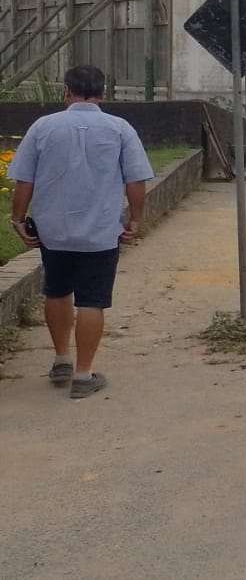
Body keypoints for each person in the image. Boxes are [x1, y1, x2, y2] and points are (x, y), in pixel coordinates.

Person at [9, 65, 154, 399]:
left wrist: (18, 219)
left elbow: (24, 181)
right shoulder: (120, 129)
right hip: (101, 232)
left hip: (53, 230)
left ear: (66, 91)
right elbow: (136, 181)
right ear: (103, 92)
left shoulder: (43, 127)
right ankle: (83, 375)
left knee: (57, 291)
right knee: (92, 301)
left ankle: (61, 358)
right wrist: (135, 219)